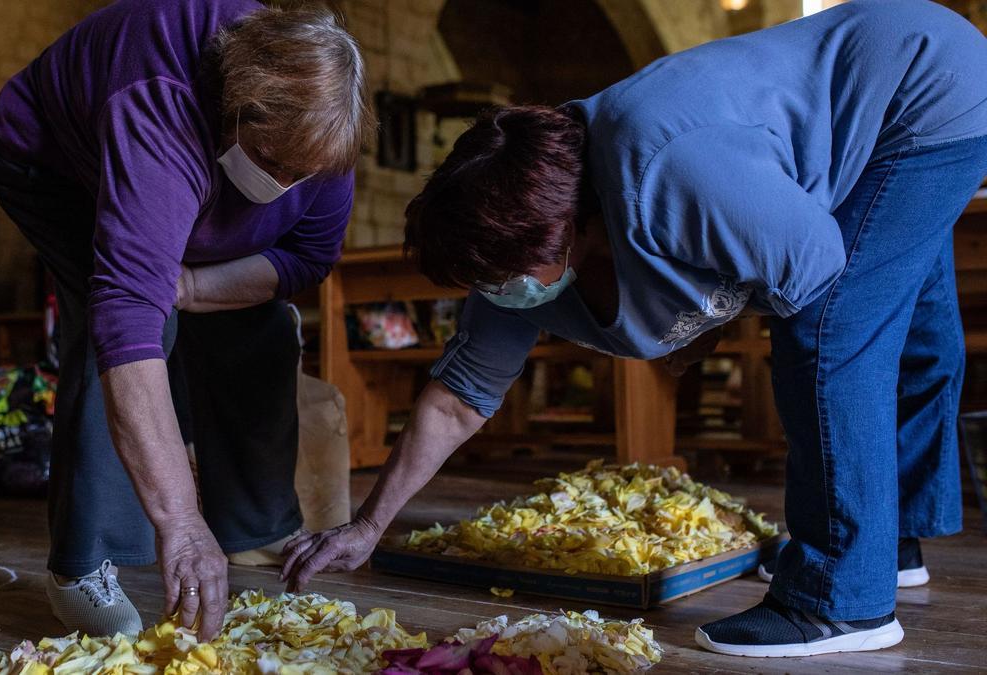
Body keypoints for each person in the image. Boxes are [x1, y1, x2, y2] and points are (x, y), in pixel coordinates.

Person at [282, 0, 987, 659]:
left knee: (830, 332)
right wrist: (367, 526)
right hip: (875, 99)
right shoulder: (517, 245)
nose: (498, 295)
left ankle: (842, 597)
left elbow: (816, 267)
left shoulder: (666, 172)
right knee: (904, 316)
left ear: (564, 231)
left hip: (924, 89)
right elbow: (458, 396)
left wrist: (711, 323)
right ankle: (887, 545)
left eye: (503, 276)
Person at [0, 0, 370, 638]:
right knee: (125, 322)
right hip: (56, 167)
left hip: (204, 191)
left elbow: (308, 256)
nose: (290, 181)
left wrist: (193, 284)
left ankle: (255, 522)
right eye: (276, 166)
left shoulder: (324, 133)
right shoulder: (162, 103)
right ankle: (85, 560)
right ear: (237, 112)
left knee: (262, 327)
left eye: (305, 174)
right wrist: (181, 523)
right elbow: (127, 313)